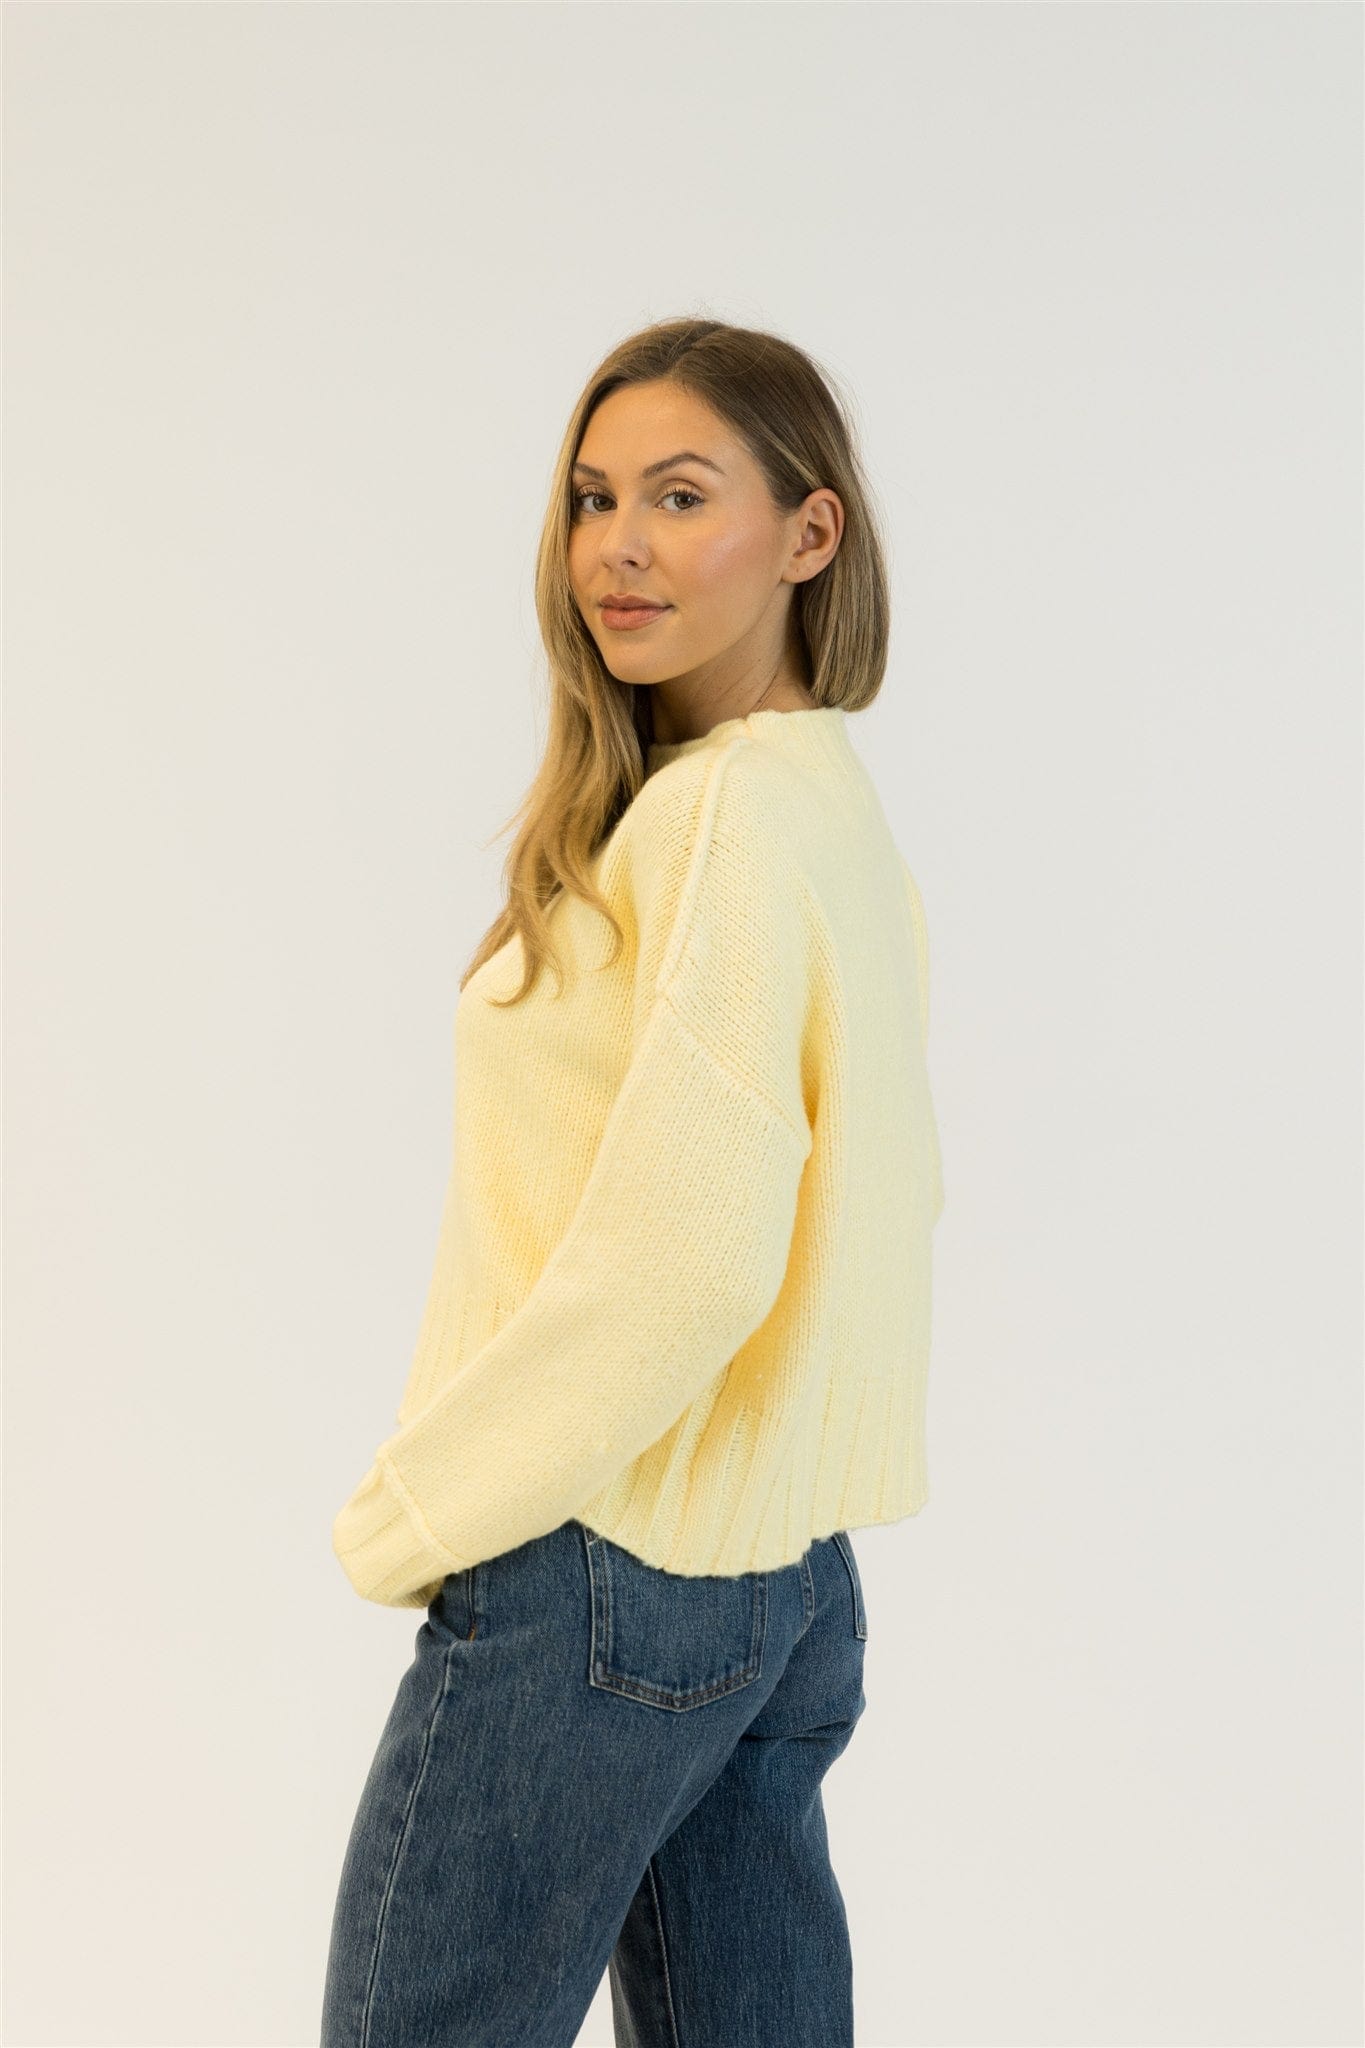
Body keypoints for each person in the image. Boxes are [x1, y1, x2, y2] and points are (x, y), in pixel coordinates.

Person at [321, 317, 945, 2048]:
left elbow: (689, 1255)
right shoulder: (819, 806)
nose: (620, 545)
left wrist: (432, 1508)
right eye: (595, 498)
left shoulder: (721, 822)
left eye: (683, 496)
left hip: (600, 1553)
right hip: (774, 1573)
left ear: (807, 535)